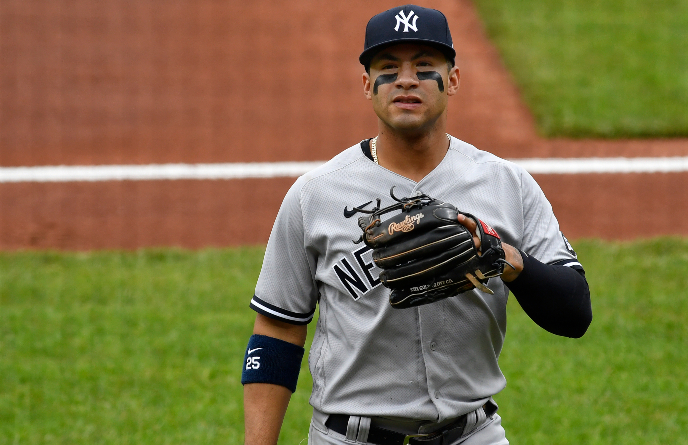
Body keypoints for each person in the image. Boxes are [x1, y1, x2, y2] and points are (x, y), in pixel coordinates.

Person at [241, 5, 592, 444]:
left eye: (425, 67)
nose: (406, 80)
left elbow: (575, 312)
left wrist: (502, 256)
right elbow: (277, 328)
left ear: (455, 80)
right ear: (367, 85)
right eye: (388, 68)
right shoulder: (315, 196)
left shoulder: (508, 185)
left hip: (473, 434)